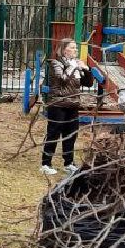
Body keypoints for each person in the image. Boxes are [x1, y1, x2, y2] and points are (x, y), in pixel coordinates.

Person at [41, 39, 88, 176]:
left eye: (76, 48)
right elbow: (62, 79)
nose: (76, 50)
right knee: (54, 133)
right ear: (64, 49)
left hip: (73, 104)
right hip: (58, 103)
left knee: (71, 134)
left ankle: (69, 163)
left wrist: (86, 69)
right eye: (72, 48)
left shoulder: (75, 64)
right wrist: (73, 67)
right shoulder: (56, 63)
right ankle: (46, 163)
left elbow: (88, 83)